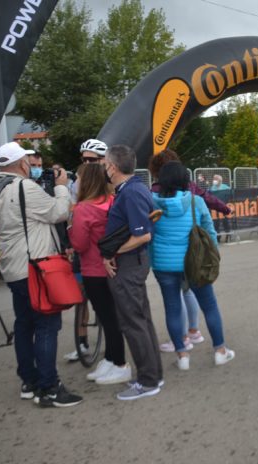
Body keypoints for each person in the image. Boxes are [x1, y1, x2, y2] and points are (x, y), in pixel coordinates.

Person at [0, 142, 83, 407]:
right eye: (29, 161)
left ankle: (29, 381)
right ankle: (50, 388)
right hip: (36, 267)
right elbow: (59, 212)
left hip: (14, 269)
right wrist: (60, 185)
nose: (32, 166)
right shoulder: (23, 187)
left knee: (24, 325)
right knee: (47, 325)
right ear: (21, 164)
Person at [149, 160, 235, 370]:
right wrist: (212, 255)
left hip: (163, 264)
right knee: (210, 306)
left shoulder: (151, 202)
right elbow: (209, 231)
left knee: (172, 308)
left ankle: (182, 355)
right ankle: (220, 351)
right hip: (194, 263)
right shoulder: (196, 201)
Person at [101, 144, 163, 401]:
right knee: (140, 319)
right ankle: (153, 376)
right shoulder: (132, 189)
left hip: (129, 264)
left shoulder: (132, 192)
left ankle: (148, 381)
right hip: (131, 262)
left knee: (134, 322)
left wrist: (112, 254)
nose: (104, 168)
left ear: (113, 167)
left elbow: (142, 235)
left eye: (105, 164)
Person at [68, 162, 132, 385]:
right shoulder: (112, 201)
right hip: (115, 267)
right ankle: (110, 358)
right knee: (111, 316)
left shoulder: (83, 209)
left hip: (93, 269)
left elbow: (79, 243)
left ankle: (120, 363)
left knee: (108, 318)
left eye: (77, 178)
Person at [63, 139, 110, 362]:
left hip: (105, 255)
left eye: (91, 160)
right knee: (81, 298)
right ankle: (82, 343)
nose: (86, 163)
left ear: (103, 160)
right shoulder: (77, 183)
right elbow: (72, 213)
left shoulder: (112, 183)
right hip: (83, 250)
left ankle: (114, 345)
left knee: (109, 304)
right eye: (83, 159)